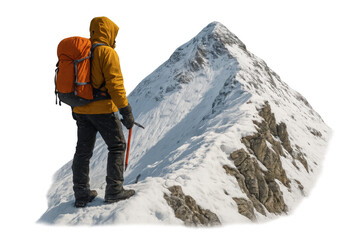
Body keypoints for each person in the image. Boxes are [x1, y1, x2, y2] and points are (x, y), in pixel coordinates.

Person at [71, 17, 135, 208]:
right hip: (103, 110)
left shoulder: (82, 52)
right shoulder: (107, 52)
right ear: (108, 32)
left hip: (81, 109)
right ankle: (114, 191)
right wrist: (126, 111)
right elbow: (115, 86)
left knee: (83, 151)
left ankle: (81, 194)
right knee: (116, 146)